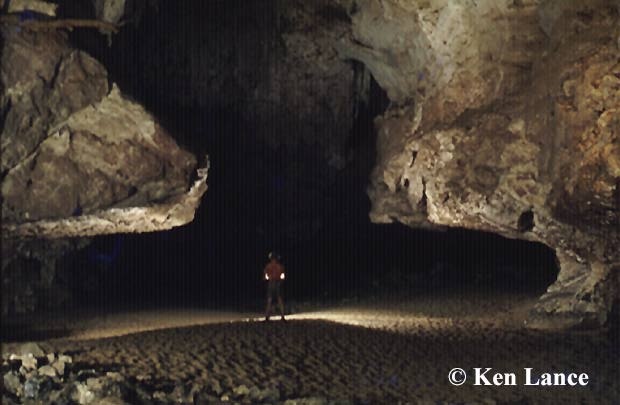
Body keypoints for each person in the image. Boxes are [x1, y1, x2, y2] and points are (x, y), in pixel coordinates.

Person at [263, 251, 286, 321]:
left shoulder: (269, 266)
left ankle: (268, 317)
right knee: (276, 300)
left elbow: (265, 276)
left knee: (272, 300)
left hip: (273, 283)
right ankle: (280, 316)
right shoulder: (279, 266)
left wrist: (269, 278)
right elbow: (283, 276)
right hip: (276, 283)